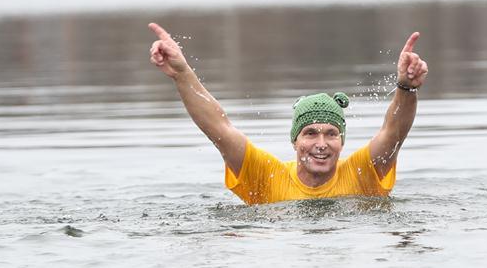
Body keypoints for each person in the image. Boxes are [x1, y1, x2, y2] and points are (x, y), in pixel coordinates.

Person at [147, 22, 429, 205]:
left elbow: (393, 133)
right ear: (294, 141)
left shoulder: (362, 172)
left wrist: (406, 87)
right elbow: (219, 129)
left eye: (331, 134)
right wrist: (182, 74)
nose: (321, 143)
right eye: (310, 133)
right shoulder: (266, 176)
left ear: (342, 142)